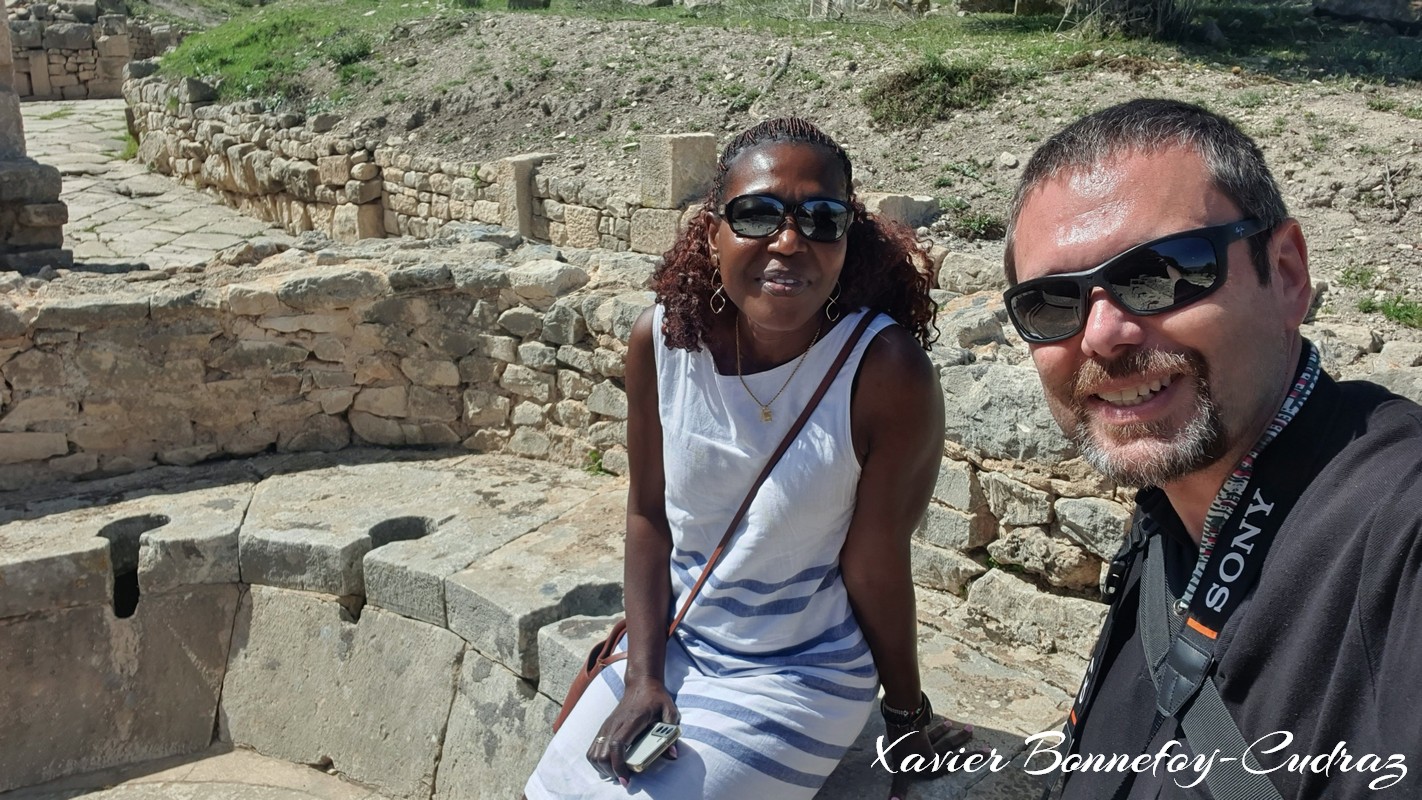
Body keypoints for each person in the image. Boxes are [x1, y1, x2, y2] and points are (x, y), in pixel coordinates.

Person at [524, 117, 973, 800]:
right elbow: (649, 516)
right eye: (757, 215)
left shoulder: (883, 370)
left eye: (821, 219)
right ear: (714, 232)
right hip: (676, 641)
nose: (789, 241)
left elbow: (875, 561)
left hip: (800, 668)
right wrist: (644, 676)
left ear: (846, 240)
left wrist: (906, 717)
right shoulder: (661, 343)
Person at [1002, 98, 1422, 799]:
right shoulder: (1168, 512)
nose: (1102, 335)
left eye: (1162, 273)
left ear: (1286, 273)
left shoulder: (1400, 532)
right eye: (1050, 303)